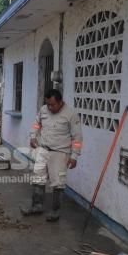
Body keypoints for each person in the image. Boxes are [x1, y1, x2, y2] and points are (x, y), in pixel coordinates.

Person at [21, 89, 83, 222]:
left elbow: (77, 138)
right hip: (43, 149)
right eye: (48, 104)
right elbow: (36, 123)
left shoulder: (71, 115)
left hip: (60, 153)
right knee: (38, 178)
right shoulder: (43, 110)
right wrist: (33, 136)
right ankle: (36, 206)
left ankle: (55, 211)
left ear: (60, 102)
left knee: (58, 183)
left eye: (52, 105)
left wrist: (74, 156)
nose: (50, 107)